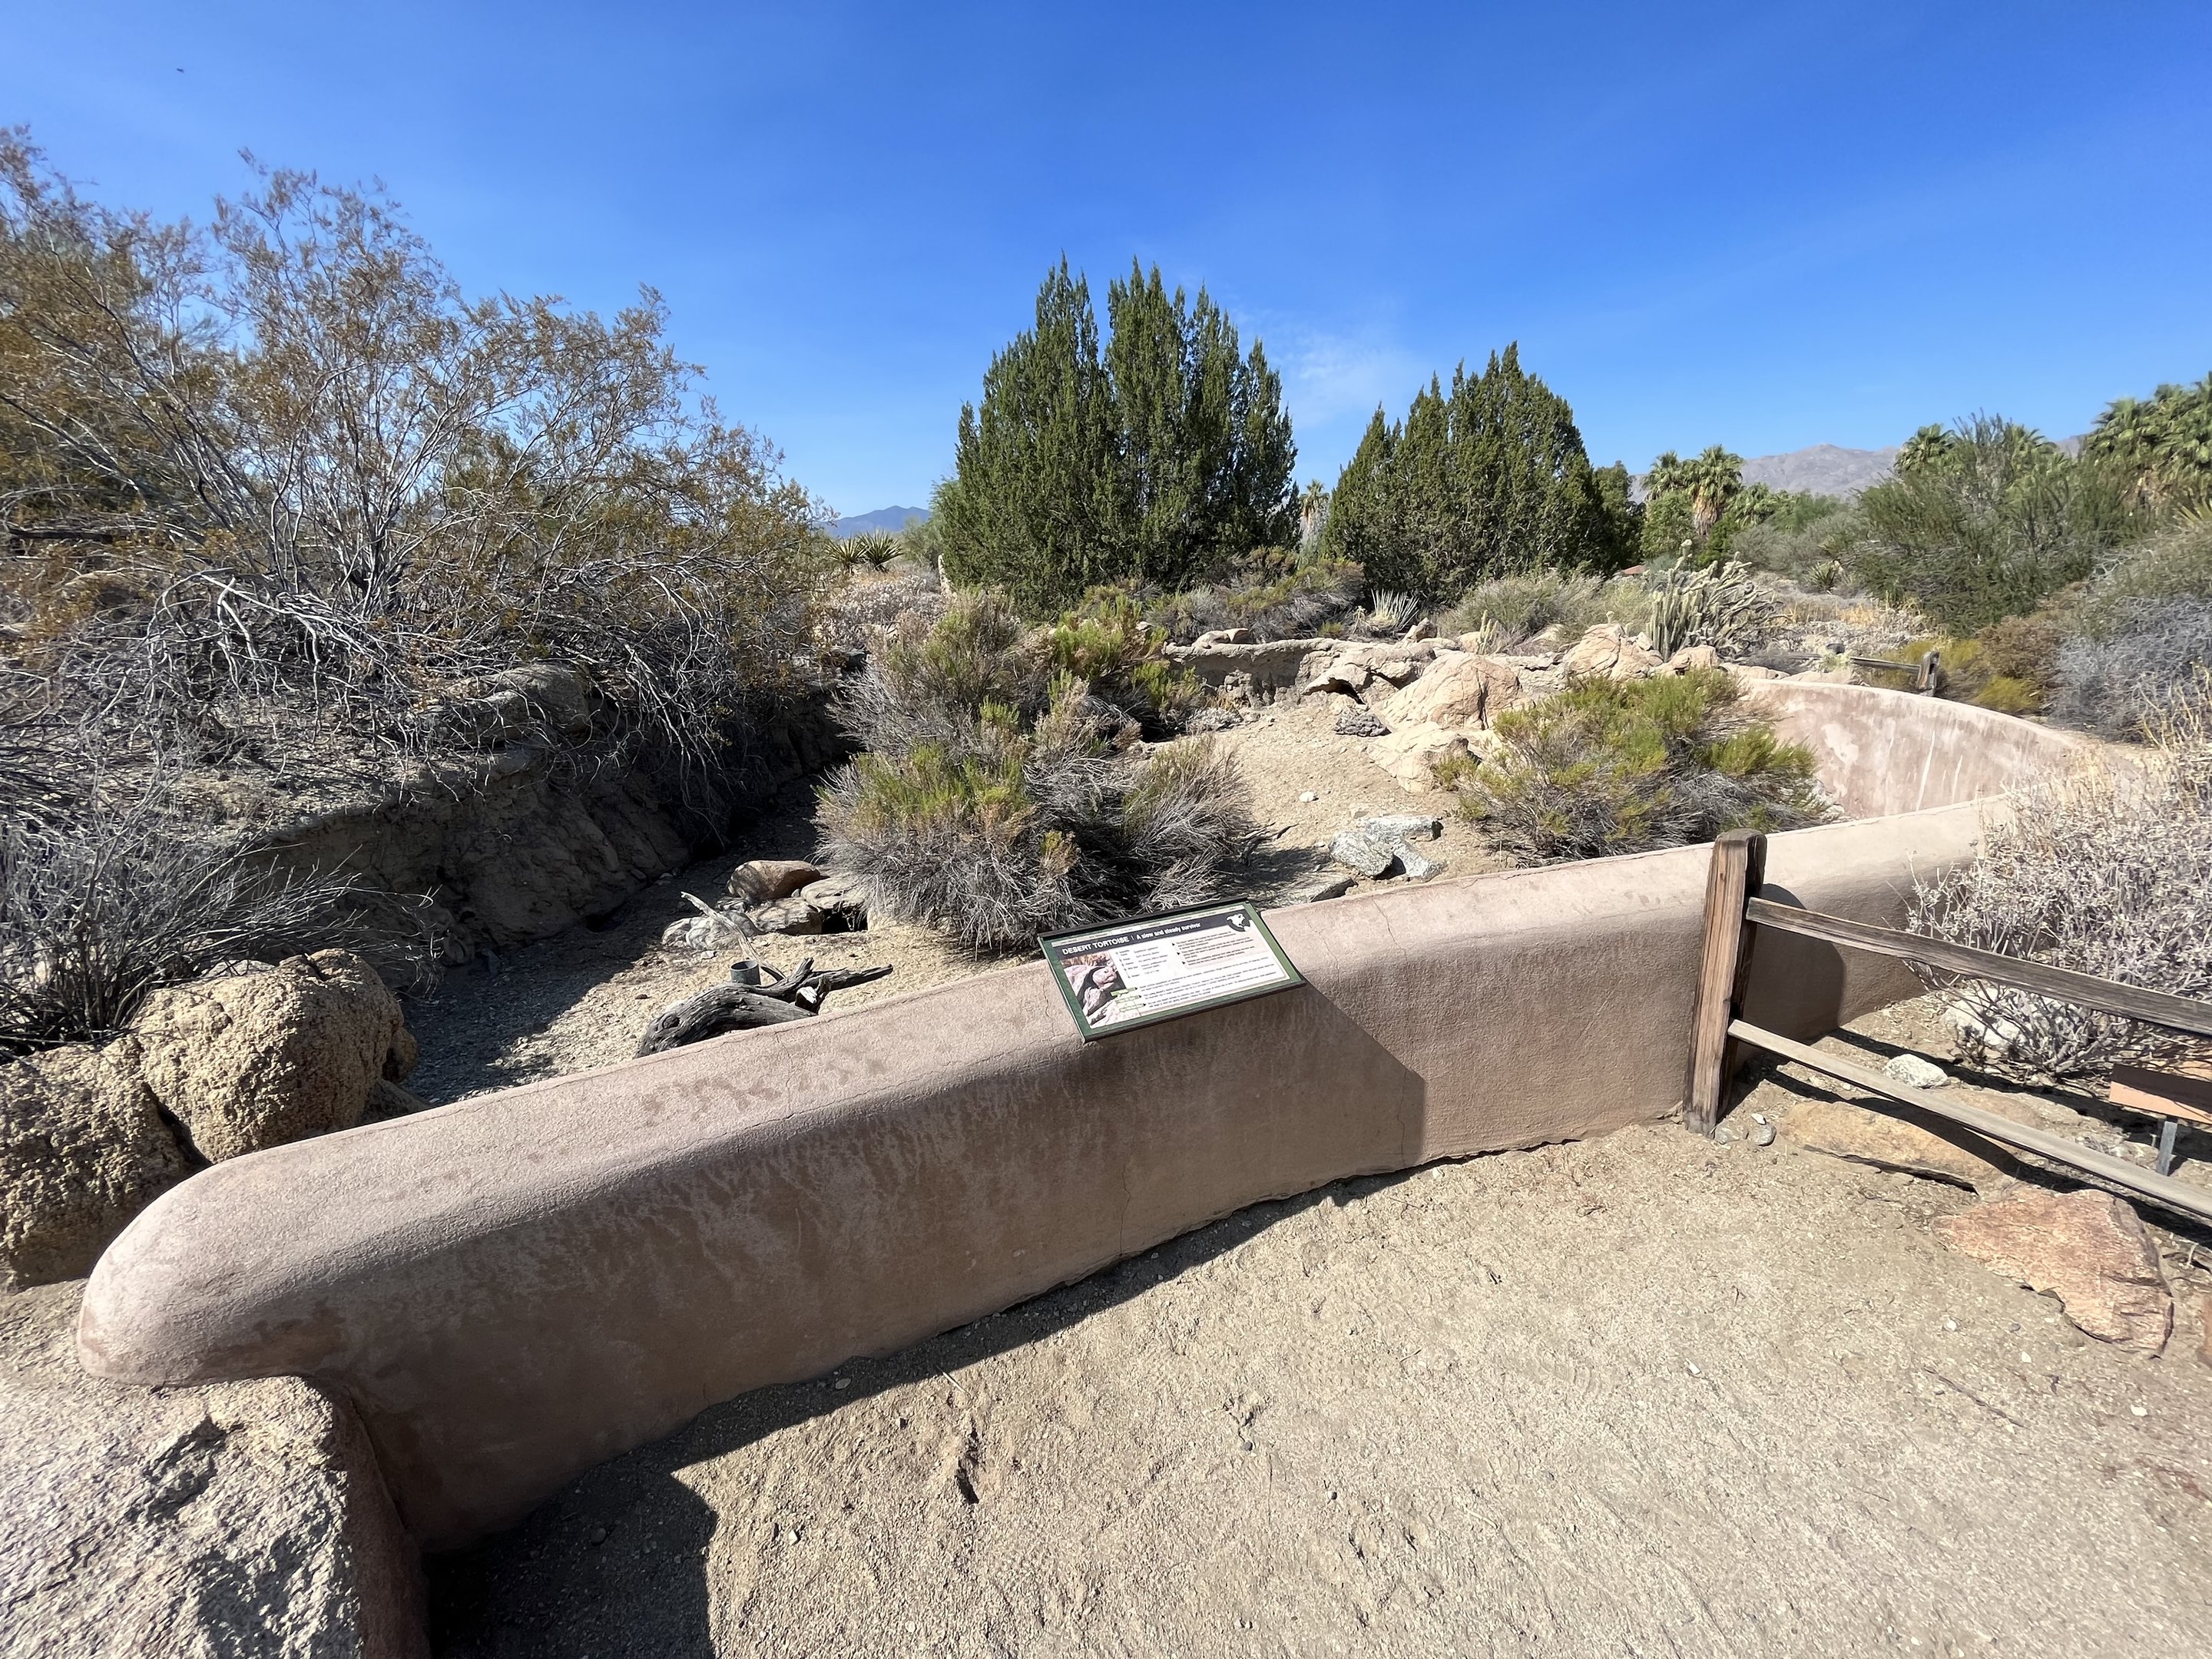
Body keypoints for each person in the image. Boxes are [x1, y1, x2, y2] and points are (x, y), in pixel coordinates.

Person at [1077, 959, 1130, 1025]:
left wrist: (1104, 990)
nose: (1111, 972)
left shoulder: (1108, 990)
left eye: (1113, 971)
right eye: (1106, 970)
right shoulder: (1080, 973)